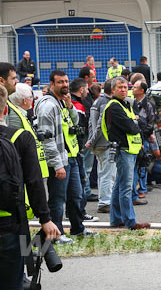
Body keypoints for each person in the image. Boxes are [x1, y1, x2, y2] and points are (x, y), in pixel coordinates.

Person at [0, 83, 60, 289]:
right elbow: (34, 182)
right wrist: (45, 219)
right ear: (5, 109)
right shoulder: (21, 137)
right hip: (11, 223)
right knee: (11, 283)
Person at [35, 70, 94, 243]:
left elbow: (75, 122)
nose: (65, 85)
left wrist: (70, 106)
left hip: (72, 157)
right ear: (52, 84)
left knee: (76, 196)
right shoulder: (48, 105)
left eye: (66, 81)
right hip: (60, 160)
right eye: (60, 82)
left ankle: (78, 229)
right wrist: (57, 164)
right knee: (57, 198)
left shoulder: (62, 102)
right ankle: (56, 234)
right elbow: (47, 139)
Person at [101, 76, 150, 230]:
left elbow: (137, 125)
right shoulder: (114, 106)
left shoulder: (124, 105)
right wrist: (136, 122)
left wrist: (135, 123)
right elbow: (133, 127)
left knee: (118, 186)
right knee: (126, 188)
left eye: (124, 87)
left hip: (129, 149)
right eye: (119, 87)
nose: (123, 90)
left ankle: (116, 219)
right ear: (113, 89)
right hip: (124, 150)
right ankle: (130, 221)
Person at [70, 78, 99, 220]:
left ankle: (75, 212)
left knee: (79, 178)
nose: (88, 92)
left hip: (75, 147)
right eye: (87, 89)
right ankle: (78, 212)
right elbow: (80, 127)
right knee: (81, 177)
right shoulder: (77, 105)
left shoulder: (72, 103)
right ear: (81, 89)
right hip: (77, 147)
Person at [87, 79, 115, 213]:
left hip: (99, 143)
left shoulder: (98, 101)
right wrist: (92, 141)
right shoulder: (106, 103)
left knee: (102, 173)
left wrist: (91, 140)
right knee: (108, 175)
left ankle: (104, 201)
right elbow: (100, 125)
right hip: (105, 143)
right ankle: (105, 202)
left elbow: (91, 124)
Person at [132, 80, 155, 203]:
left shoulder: (148, 104)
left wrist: (144, 135)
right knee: (136, 165)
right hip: (134, 137)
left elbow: (151, 123)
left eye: (135, 87)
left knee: (143, 163)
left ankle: (142, 188)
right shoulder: (131, 102)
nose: (132, 89)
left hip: (143, 138)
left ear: (142, 90)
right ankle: (137, 189)